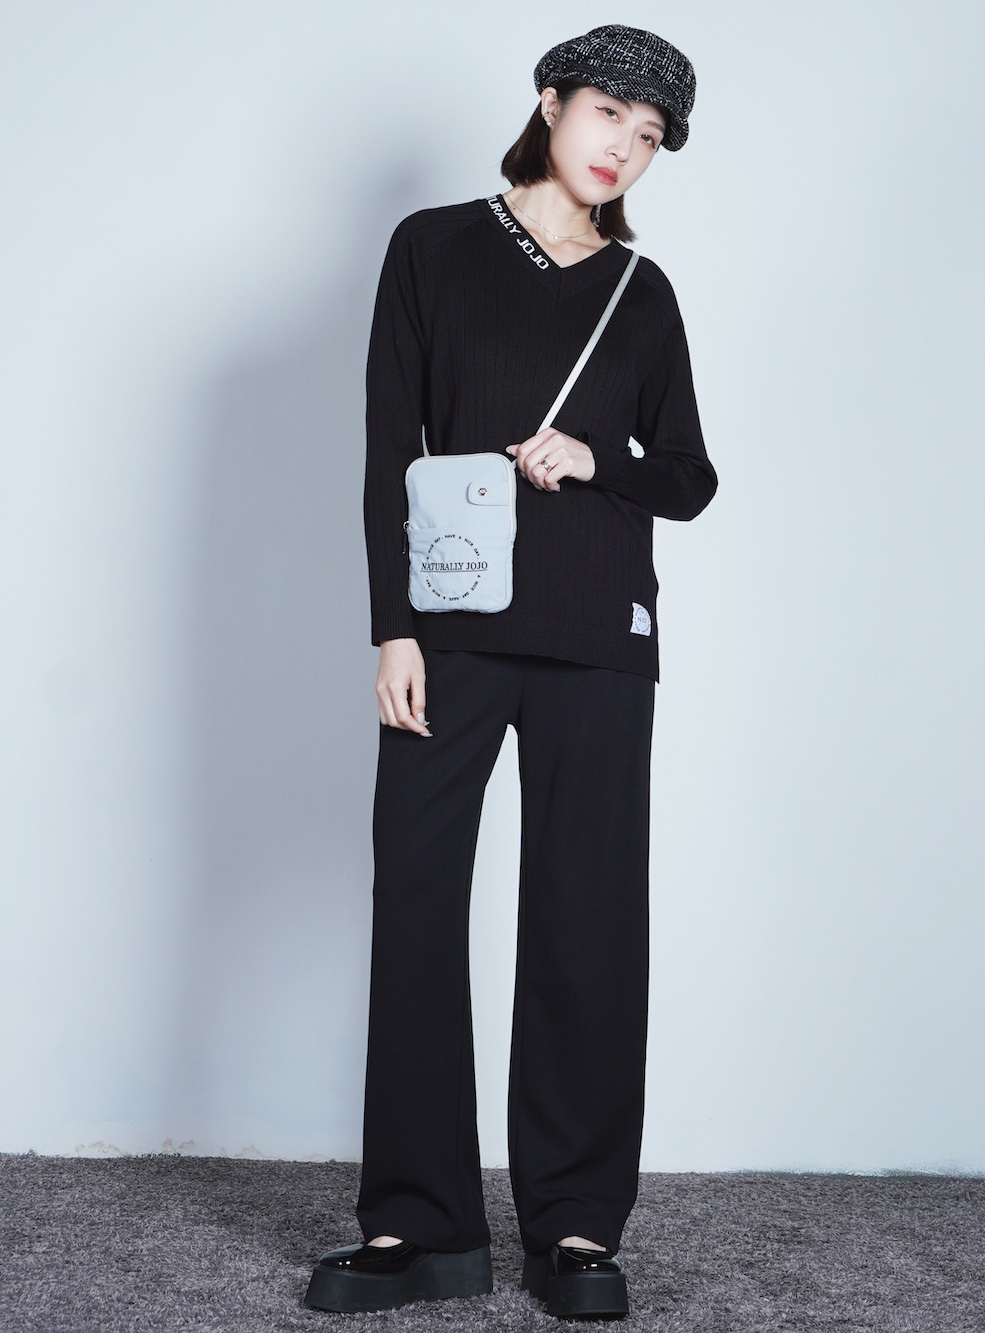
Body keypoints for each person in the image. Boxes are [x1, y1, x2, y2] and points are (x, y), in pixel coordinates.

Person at [304, 22, 717, 1322]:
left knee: (589, 920)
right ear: (550, 103)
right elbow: (390, 441)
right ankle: (413, 1223)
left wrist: (602, 462)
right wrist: (394, 626)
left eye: (650, 137)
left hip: (601, 634)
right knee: (419, 902)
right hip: (454, 627)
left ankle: (576, 1226)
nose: (624, 148)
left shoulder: (641, 291)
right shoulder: (431, 248)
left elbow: (691, 478)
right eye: (609, 114)